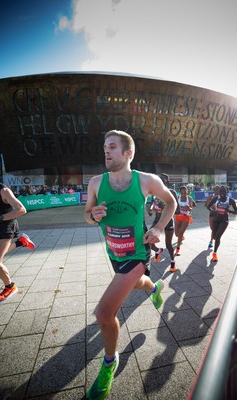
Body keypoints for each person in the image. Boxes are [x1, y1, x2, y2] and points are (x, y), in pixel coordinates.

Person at [84, 130, 176, 400]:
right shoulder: (95, 183)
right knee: (137, 284)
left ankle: (109, 364)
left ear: (128, 153)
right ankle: (155, 287)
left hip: (138, 251)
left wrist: (159, 227)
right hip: (114, 253)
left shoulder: (147, 181)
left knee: (103, 313)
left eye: (112, 147)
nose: (106, 152)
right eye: (104, 148)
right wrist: (93, 215)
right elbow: (87, 215)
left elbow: (170, 201)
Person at [0, 181, 36, 303]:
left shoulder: (3, 191)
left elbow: (21, 210)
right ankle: (21, 242)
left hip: (6, 227)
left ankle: (10, 287)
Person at [148, 173, 180, 272]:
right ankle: (158, 250)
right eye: (159, 179)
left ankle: (172, 261)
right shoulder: (154, 191)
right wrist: (151, 209)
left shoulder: (171, 192)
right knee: (148, 240)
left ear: (167, 182)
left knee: (168, 244)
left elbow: (177, 210)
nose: (160, 181)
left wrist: (166, 207)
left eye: (162, 179)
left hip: (168, 221)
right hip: (157, 220)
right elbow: (153, 203)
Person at [206, 185, 237, 262]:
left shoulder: (230, 200)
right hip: (216, 220)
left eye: (224, 191)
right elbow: (208, 206)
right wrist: (213, 211)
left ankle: (214, 253)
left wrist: (229, 211)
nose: (222, 193)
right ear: (219, 192)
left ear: (227, 192)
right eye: (221, 191)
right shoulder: (215, 198)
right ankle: (214, 243)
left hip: (224, 221)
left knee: (218, 236)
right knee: (214, 237)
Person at [174, 185, 196, 256]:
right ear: (180, 193)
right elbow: (174, 206)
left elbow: (191, 209)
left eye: (185, 192)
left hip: (186, 218)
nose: (183, 194)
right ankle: (181, 237)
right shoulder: (178, 198)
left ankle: (178, 249)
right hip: (178, 217)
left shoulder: (189, 198)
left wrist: (188, 208)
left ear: (187, 192)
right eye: (182, 193)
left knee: (180, 233)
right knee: (177, 234)